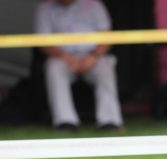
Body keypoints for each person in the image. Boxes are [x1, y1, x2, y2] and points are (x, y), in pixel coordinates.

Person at [34, 0, 124, 132]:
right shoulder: (44, 8)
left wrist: (93, 55)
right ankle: (65, 122)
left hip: (93, 55)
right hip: (61, 56)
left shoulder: (94, 5)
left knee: (106, 68)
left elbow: (107, 37)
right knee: (53, 68)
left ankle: (109, 121)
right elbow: (42, 42)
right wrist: (66, 57)